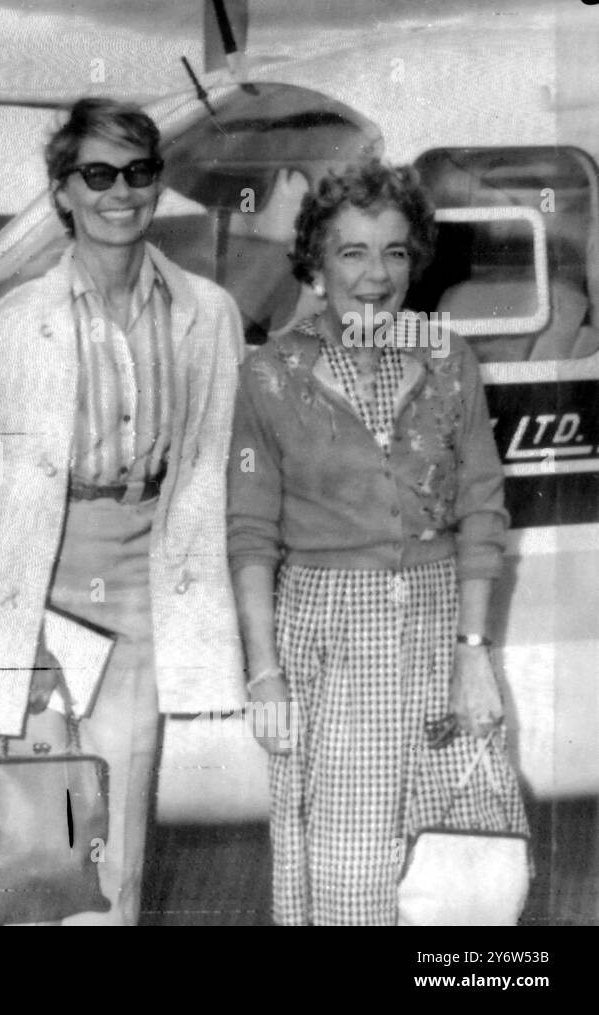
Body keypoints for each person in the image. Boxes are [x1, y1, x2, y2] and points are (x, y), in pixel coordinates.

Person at [0, 97, 246, 925]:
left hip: (142, 588)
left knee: (117, 841)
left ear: (158, 185)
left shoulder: (209, 313)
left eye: (138, 173)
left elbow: (219, 471)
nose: (119, 193)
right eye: (97, 174)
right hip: (36, 596)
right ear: (62, 191)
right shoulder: (15, 323)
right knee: (39, 843)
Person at [227, 158, 530, 926]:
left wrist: (475, 653)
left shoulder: (449, 359)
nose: (375, 275)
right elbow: (252, 532)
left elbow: (482, 508)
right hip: (331, 640)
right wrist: (264, 675)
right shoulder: (269, 374)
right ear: (316, 265)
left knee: (464, 873)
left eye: (394, 251)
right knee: (351, 875)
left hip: (438, 635)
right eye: (352, 252)